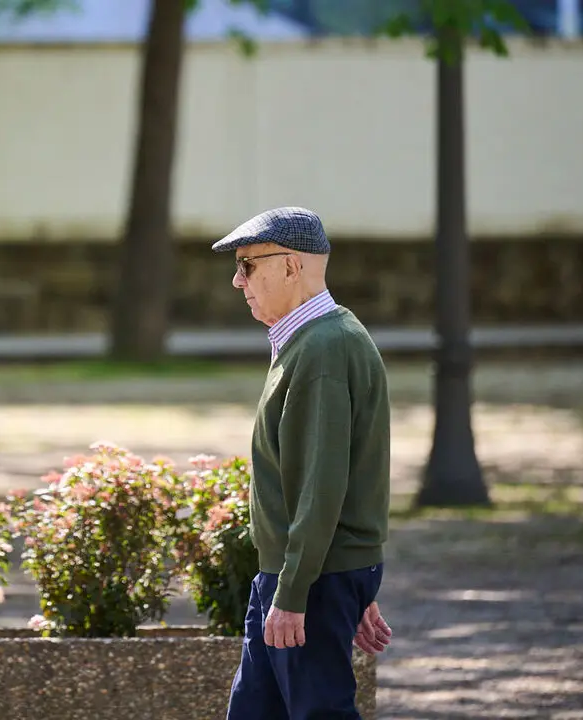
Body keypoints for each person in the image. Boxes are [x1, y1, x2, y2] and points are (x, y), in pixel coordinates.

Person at [215, 207, 395, 720]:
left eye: (248, 265)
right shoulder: (315, 339)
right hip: (307, 575)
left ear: (291, 267)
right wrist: (346, 581)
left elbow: (322, 485)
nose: (236, 280)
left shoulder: (324, 348)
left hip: (307, 580)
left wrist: (305, 591)